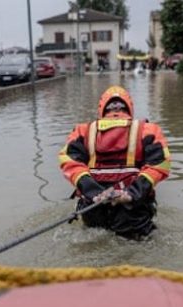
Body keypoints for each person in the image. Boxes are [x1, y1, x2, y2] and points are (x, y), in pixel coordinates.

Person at [58, 86, 171, 240]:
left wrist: (94, 193)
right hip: (133, 210)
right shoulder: (147, 130)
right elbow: (159, 165)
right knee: (137, 249)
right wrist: (132, 194)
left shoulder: (83, 131)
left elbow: (69, 163)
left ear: (102, 109)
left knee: (95, 248)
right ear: (129, 108)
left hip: (93, 208)